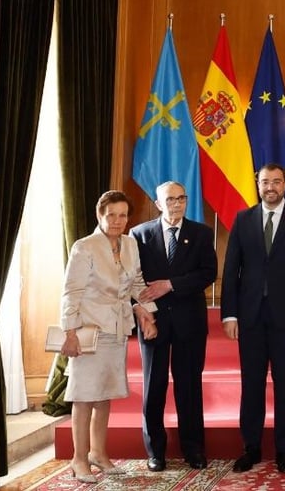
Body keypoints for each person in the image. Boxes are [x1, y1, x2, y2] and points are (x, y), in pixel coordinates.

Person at [221, 163, 285, 474]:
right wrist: (230, 313)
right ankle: (250, 447)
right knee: (251, 385)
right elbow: (231, 270)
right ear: (258, 184)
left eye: (277, 182)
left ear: (284, 185)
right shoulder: (243, 218)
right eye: (266, 182)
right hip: (249, 317)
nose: (271, 187)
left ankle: (283, 450)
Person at [60, 190, 158, 483]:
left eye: (123, 215)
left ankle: (99, 454)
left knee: (104, 396)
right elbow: (71, 292)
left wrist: (146, 314)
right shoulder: (84, 247)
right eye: (111, 215)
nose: (117, 221)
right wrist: (69, 332)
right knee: (84, 396)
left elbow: (136, 283)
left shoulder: (129, 244)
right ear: (99, 216)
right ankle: (79, 459)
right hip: (88, 331)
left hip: (117, 330)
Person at [130, 181, 217, 472]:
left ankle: (194, 450)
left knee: (189, 388)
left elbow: (209, 272)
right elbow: (132, 277)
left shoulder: (202, 233)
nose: (177, 204)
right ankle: (155, 451)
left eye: (181, 199)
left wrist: (171, 285)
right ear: (158, 204)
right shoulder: (139, 234)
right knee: (153, 387)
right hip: (153, 322)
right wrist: (144, 313)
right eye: (170, 200)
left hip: (189, 323)